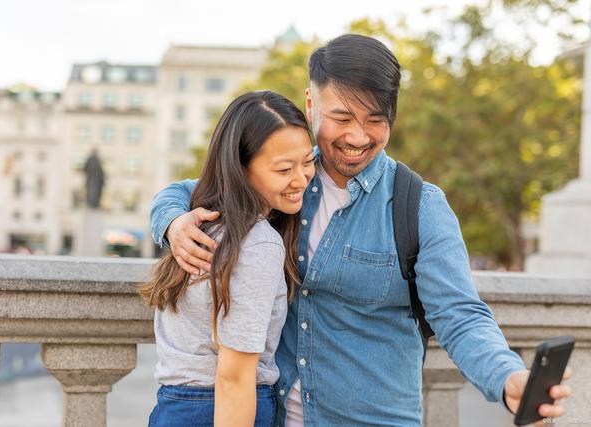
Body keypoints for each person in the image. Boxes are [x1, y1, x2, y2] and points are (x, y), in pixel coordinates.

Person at [150, 34, 572, 426]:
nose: (358, 135)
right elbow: (191, 189)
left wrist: (507, 377)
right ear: (311, 103)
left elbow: (459, 314)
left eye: (376, 120)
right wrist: (172, 222)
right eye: (342, 116)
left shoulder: (419, 206)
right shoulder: (280, 180)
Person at [139, 90, 315, 427]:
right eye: (283, 169)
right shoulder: (258, 243)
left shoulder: (202, 223)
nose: (301, 179)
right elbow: (234, 378)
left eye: (307, 161)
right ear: (241, 168)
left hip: (174, 406)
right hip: (223, 410)